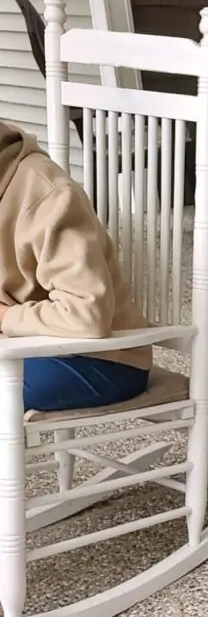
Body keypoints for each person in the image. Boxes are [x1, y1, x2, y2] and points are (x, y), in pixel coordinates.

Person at [0, 120, 150, 412]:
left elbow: (87, 315)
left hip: (103, 358)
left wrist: (5, 317)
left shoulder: (48, 195)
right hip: (28, 345)